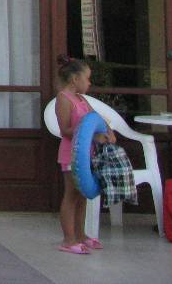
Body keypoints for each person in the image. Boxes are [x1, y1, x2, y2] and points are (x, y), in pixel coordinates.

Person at [55, 56, 115, 254]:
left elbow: (96, 119)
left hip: (88, 155)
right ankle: (68, 239)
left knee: (82, 196)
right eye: (87, 78)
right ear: (75, 79)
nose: (89, 83)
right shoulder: (64, 99)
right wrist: (91, 134)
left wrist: (107, 131)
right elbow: (65, 130)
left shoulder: (82, 100)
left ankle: (81, 235)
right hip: (71, 155)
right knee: (71, 195)